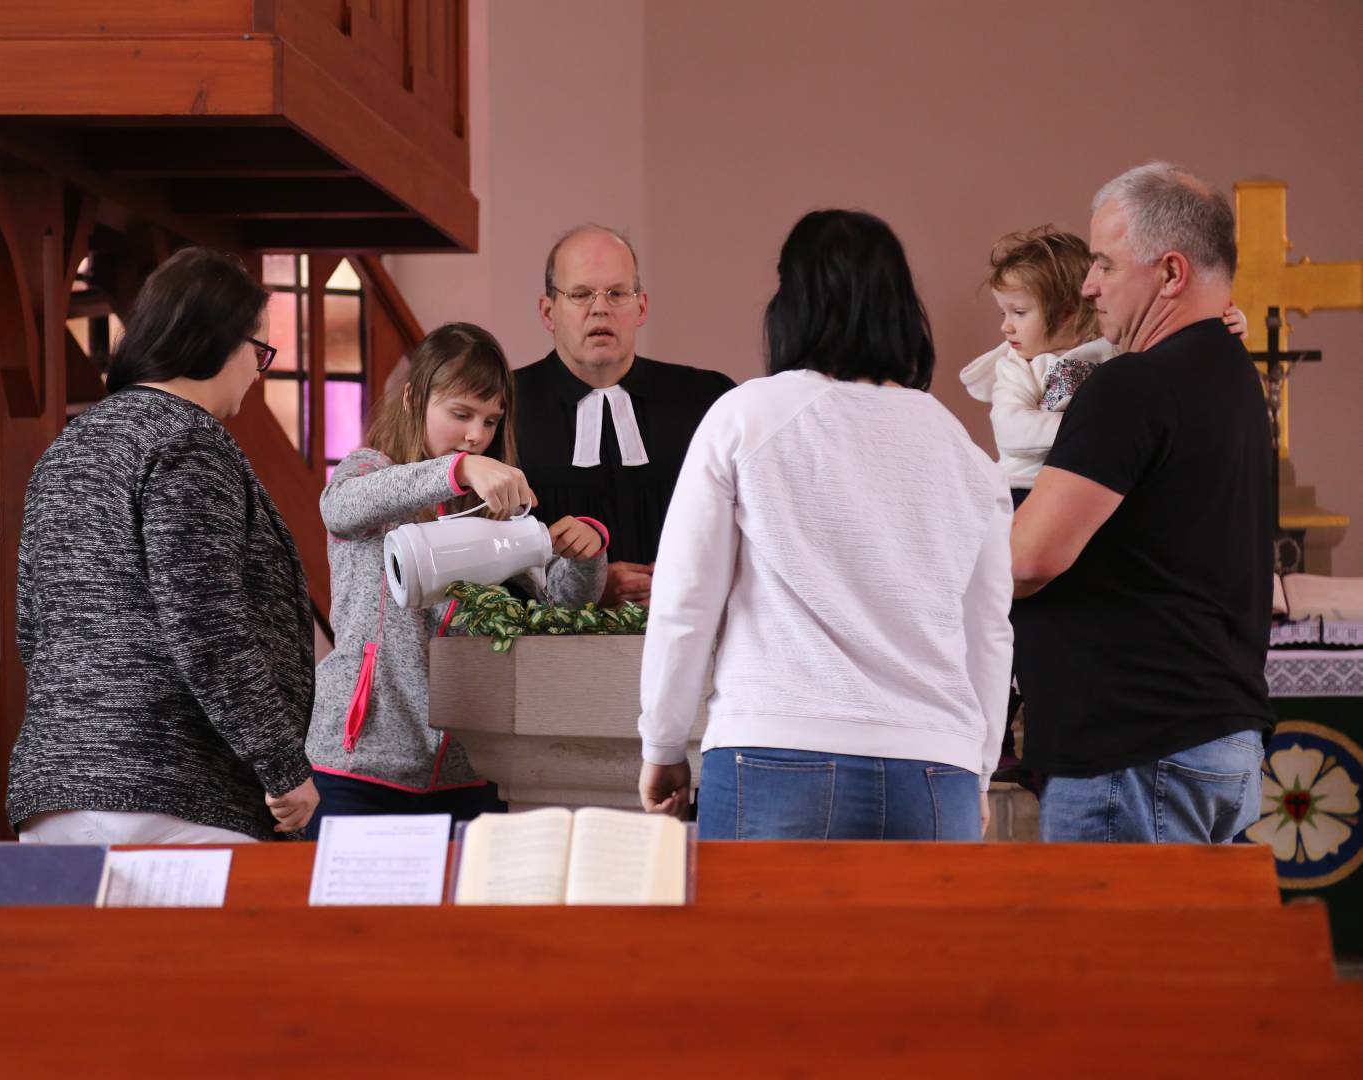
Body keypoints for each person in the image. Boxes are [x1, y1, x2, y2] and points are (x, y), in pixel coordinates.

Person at [637, 210, 1013, 841]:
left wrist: (663, 740)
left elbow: (686, 597)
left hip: (775, 746)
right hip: (934, 767)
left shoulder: (746, 417)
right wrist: (976, 770)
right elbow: (989, 632)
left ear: (793, 303)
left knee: (761, 946)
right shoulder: (965, 454)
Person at [7, 246, 319, 845]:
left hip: (55, 793)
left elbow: (36, 625)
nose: (260, 372)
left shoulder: (68, 446)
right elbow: (206, 623)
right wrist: (283, 765)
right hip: (173, 794)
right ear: (217, 342)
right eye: (260, 352)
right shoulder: (187, 441)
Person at [1011, 162, 1274, 843]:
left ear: (1170, 273)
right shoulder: (1235, 379)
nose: (1089, 285)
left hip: (1133, 752)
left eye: (1104, 264)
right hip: (1211, 741)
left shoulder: (1134, 386)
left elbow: (1028, 558)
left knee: (1106, 954)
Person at [302, 322, 607, 834]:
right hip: (357, 768)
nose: (476, 435)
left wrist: (585, 550)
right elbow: (340, 508)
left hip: (468, 774)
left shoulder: (497, 513)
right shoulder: (369, 472)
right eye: (460, 414)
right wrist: (458, 470)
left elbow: (561, 608)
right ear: (412, 398)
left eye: (490, 421)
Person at [514, 224, 735, 607]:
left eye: (617, 293)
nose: (600, 308)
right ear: (548, 312)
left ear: (641, 307)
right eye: (581, 294)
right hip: (549, 658)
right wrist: (588, 587)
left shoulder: (707, 398)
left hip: (686, 639)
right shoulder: (506, 405)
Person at [961, 226, 1248, 509]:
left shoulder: (1110, 346)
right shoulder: (1016, 367)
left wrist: (1228, 322)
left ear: (1066, 311)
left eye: (1019, 312)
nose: (1006, 325)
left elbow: (1170, 358)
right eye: (1004, 312)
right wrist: (1096, 428)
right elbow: (1012, 430)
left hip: (1097, 484)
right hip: (1024, 490)